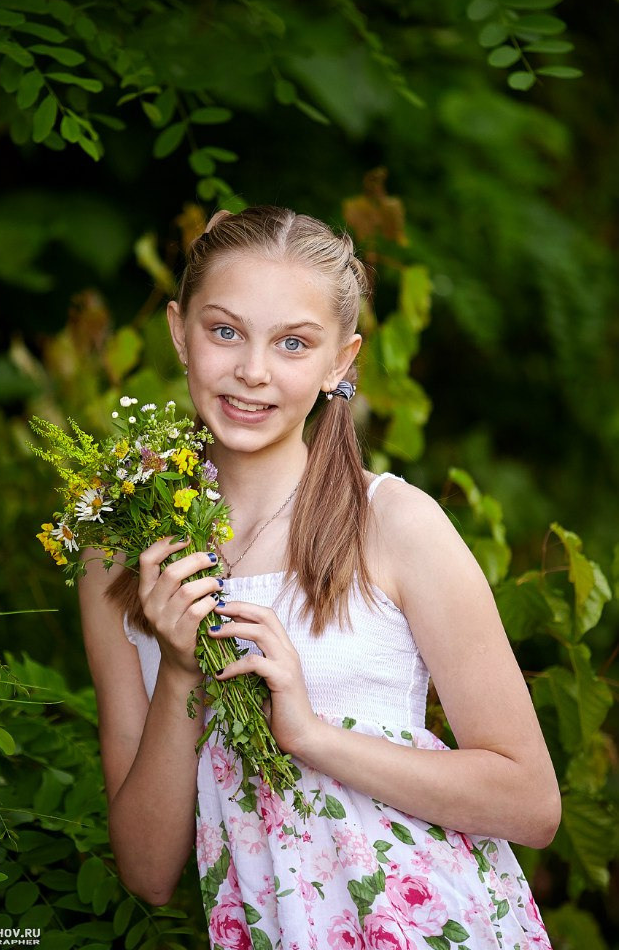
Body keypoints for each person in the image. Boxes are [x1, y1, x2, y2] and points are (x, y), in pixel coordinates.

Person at [78, 205, 560, 950]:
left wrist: (310, 735)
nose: (253, 371)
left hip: (434, 926)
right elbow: (147, 872)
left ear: (342, 360)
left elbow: (532, 803)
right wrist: (179, 672)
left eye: (294, 343)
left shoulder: (394, 524)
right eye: (225, 331)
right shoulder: (124, 554)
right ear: (179, 332)